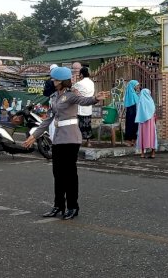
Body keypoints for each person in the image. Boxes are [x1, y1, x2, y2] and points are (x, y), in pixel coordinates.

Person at [23, 67, 109, 220]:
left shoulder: (71, 95)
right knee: (57, 173)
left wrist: (96, 98)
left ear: (63, 81)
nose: (53, 82)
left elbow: (85, 100)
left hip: (71, 139)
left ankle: (73, 207)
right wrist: (34, 136)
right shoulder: (54, 97)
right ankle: (58, 206)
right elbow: (48, 119)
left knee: (69, 174)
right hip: (58, 139)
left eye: (55, 80)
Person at [72, 67, 95, 147]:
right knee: (88, 124)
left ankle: (79, 141)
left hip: (81, 106)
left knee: (80, 125)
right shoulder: (92, 83)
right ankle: (88, 142)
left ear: (81, 74)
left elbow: (73, 91)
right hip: (89, 106)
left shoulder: (79, 83)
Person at [135, 88, 158, 159]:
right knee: (152, 136)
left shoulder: (140, 101)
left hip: (142, 122)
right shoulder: (151, 101)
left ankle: (142, 154)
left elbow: (138, 111)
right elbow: (154, 111)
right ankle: (153, 153)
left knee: (142, 136)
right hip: (150, 122)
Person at [124, 80, 140, 147]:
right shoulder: (132, 93)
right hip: (132, 111)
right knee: (131, 125)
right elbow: (134, 102)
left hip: (133, 111)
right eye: (137, 85)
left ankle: (133, 140)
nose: (138, 86)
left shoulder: (133, 93)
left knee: (133, 126)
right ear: (133, 85)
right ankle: (130, 140)